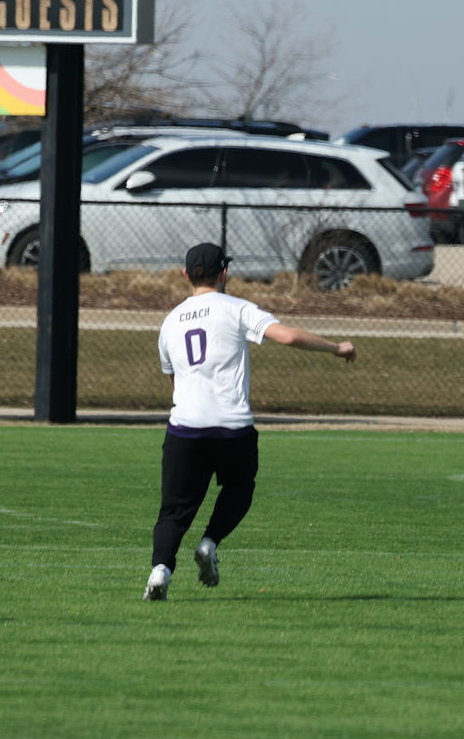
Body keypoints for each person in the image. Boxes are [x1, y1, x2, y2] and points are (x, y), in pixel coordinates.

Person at [144, 242, 357, 601]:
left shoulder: (170, 322)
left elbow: (174, 383)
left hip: (185, 428)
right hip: (232, 427)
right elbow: (288, 336)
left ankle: (160, 571)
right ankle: (210, 542)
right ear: (224, 273)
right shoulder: (237, 309)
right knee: (240, 487)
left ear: (185, 275)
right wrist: (337, 348)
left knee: (174, 511)